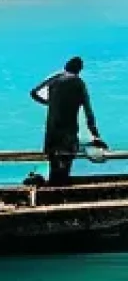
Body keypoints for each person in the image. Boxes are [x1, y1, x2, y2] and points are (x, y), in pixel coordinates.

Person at [30, 57, 103, 185]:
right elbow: (88, 112)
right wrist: (95, 135)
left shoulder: (55, 80)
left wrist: (49, 103)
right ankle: (59, 191)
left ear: (65, 67)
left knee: (54, 168)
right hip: (68, 133)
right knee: (65, 169)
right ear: (79, 70)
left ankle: (51, 191)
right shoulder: (79, 84)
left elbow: (33, 93)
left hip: (52, 132)